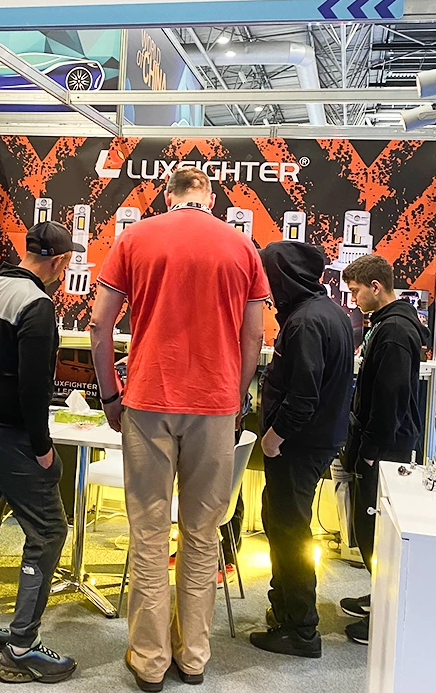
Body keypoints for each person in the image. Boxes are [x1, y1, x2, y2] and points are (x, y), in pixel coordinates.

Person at [90, 167, 266, 692]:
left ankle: (149, 661)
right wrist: (235, 397)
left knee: (148, 532)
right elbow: (254, 338)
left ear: (167, 197)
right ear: (210, 198)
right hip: (214, 404)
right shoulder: (242, 247)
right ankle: (193, 657)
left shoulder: (134, 239)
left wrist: (110, 394)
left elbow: (99, 326)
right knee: (202, 534)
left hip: (148, 399)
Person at [0, 221, 80, 683]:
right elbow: (34, 386)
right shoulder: (37, 304)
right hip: (11, 435)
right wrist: (43, 448)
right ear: (61, 262)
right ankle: (22, 647)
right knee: (49, 530)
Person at [248, 242, 353, 659]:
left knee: (290, 533)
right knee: (281, 523)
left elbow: (303, 396)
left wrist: (274, 437)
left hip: (298, 444)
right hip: (313, 441)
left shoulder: (306, 322)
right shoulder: (326, 312)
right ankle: (286, 612)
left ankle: (301, 629)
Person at [339, 254, 428, 645]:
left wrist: (372, 448)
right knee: (370, 527)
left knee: (376, 529)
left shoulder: (393, 331)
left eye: (356, 290)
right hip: (382, 441)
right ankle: (380, 597)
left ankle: (386, 614)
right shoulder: (389, 324)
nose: (353, 298)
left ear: (376, 287)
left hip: (385, 447)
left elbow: (390, 394)